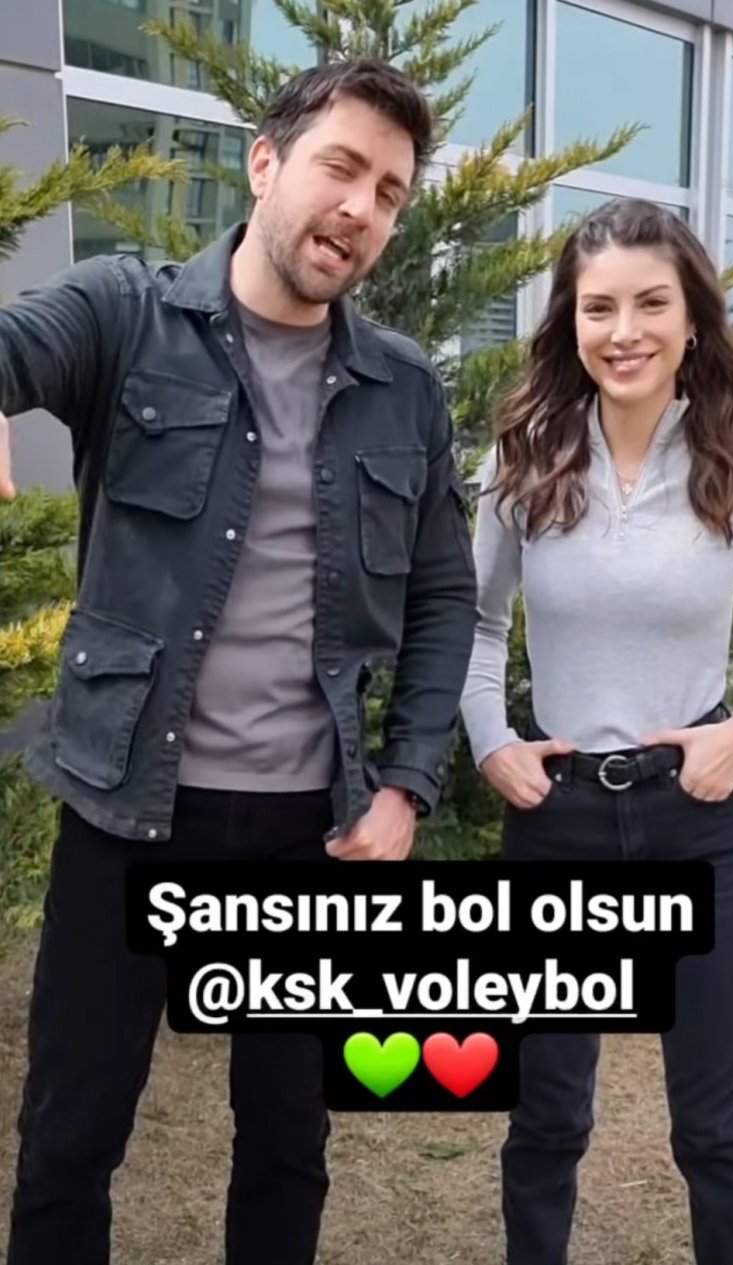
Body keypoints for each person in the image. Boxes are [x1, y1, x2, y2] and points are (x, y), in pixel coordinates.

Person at [0, 57, 477, 1265]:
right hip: (126, 811)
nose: (361, 207)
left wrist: (408, 782)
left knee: (286, 1142)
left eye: (389, 191)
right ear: (266, 164)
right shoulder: (124, 312)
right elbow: (13, 347)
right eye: (341, 167)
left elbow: (443, 592)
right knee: (69, 1136)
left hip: (309, 832)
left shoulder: (405, 389)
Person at [460, 197, 733, 1265]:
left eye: (650, 304)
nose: (623, 332)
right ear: (569, 322)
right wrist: (491, 740)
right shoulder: (523, 457)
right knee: (545, 1120)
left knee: (714, 1130)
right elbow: (474, 624)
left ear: (692, 316)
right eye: (598, 308)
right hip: (558, 824)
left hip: (701, 824)